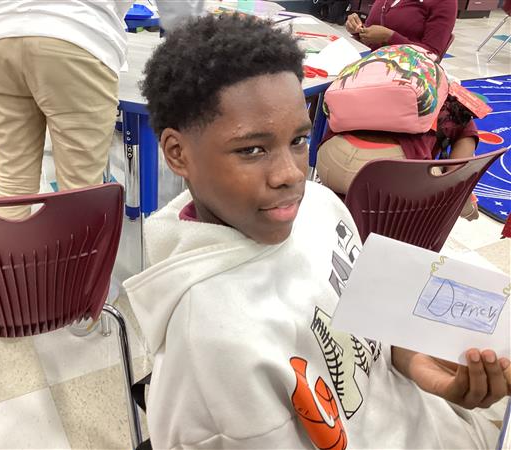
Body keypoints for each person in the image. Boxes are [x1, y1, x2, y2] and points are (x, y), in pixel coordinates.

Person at [124, 13, 510, 449]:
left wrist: (408, 356)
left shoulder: (321, 205)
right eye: (252, 149)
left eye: (298, 140)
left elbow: (372, 317)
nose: (291, 174)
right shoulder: (215, 349)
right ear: (177, 153)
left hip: (425, 412)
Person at [0, 0, 204, 219]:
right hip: (76, 34)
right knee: (79, 190)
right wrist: (191, 44)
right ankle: (73, 251)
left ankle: (3, 249)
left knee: (12, 180)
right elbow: (180, 8)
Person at [316, 96, 481, 219]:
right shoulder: (455, 107)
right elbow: (458, 178)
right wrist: (468, 210)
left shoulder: (370, 71)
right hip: (390, 176)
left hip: (329, 160)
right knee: (432, 182)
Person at [345, 0, 457, 58]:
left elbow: (432, 55)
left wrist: (389, 37)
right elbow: (372, 30)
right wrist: (358, 29)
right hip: (370, 63)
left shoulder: (445, 2)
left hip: (403, 75)